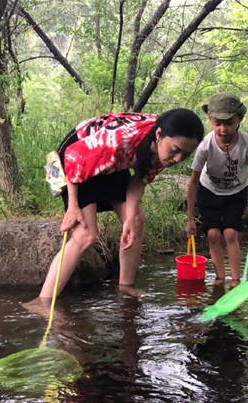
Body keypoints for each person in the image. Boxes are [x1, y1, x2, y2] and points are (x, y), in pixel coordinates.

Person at [40, 109, 204, 299]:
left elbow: (139, 181)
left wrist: (131, 217)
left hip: (112, 163)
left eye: (186, 155)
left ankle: (125, 286)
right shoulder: (119, 140)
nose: (178, 159)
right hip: (76, 161)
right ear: (159, 134)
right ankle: (43, 301)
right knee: (85, 234)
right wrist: (73, 206)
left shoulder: (162, 151)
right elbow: (72, 157)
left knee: (135, 222)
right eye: (175, 150)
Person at [185, 92, 248, 288]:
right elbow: (193, 182)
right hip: (209, 191)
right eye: (217, 123)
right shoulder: (205, 146)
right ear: (210, 120)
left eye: (229, 123)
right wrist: (189, 219)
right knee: (213, 234)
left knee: (230, 233)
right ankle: (220, 277)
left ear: (239, 119)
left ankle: (236, 279)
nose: (223, 129)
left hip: (236, 192)